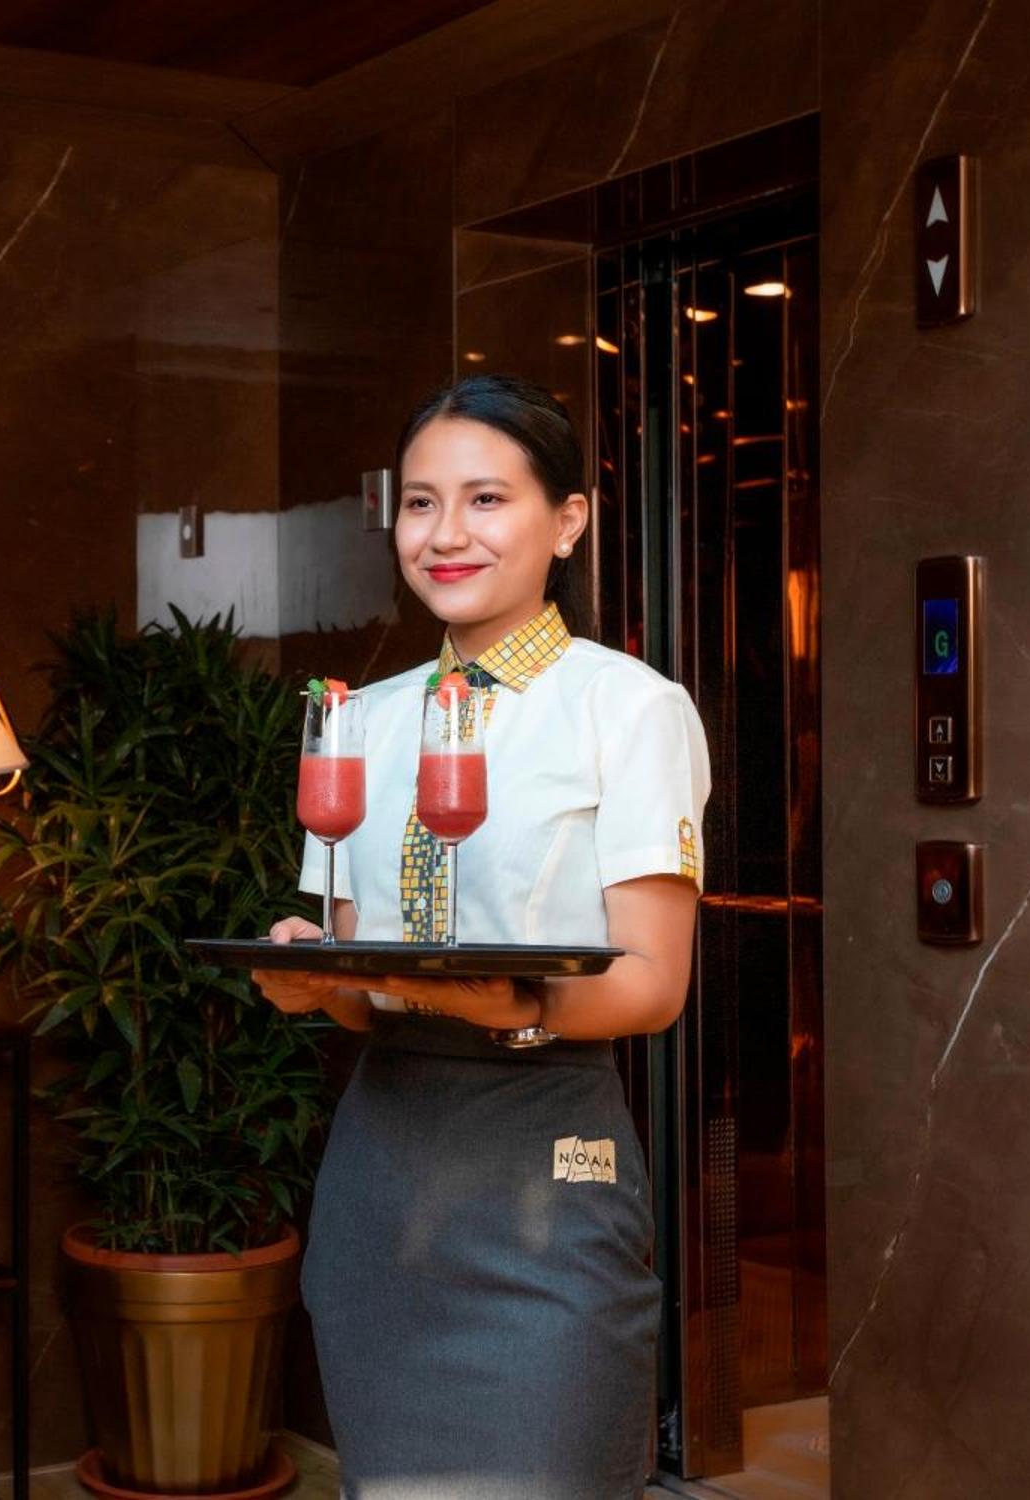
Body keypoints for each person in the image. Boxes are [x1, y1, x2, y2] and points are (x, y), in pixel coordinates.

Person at [253, 374, 710, 1498]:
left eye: (486, 500)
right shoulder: (357, 720)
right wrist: (314, 985)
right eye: (421, 503)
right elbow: (366, 986)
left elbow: (654, 984)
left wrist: (519, 1008)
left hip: (544, 1170)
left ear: (568, 521)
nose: (446, 534)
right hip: (381, 1179)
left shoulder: (630, 709)